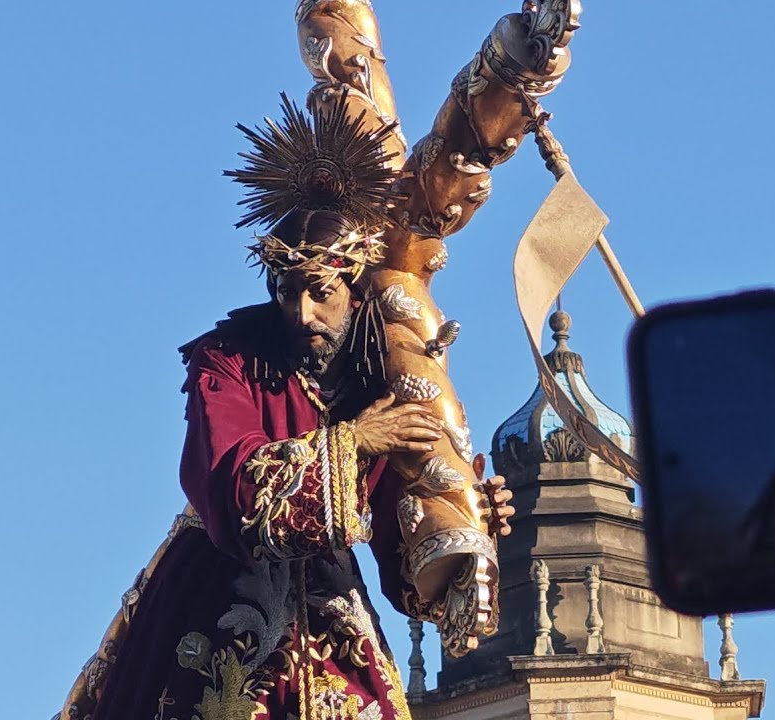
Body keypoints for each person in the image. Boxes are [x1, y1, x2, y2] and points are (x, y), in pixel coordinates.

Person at [54, 102, 514, 720]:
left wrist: (459, 517)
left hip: (332, 617)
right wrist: (353, 442)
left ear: (354, 286)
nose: (302, 314)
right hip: (218, 597)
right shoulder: (228, 360)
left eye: (320, 294)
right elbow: (227, 479)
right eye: (287, 293)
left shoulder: (379, 378)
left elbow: (395, 551)